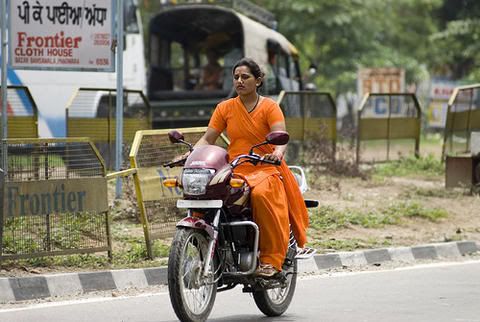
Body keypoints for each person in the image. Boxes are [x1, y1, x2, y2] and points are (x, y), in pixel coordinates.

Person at [185, 57, 309, 278]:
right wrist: (192, 154)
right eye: (236, 77)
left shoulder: (270, 107)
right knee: (208, 194)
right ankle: (208, 249)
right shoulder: (225, 108)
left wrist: (277, 154)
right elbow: (208, 139)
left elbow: (281, 137)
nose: (239, 81)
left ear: (258, 80)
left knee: (260, 195)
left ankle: (271, 259)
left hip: (265, 168)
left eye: (245, 77)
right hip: (236, 168)